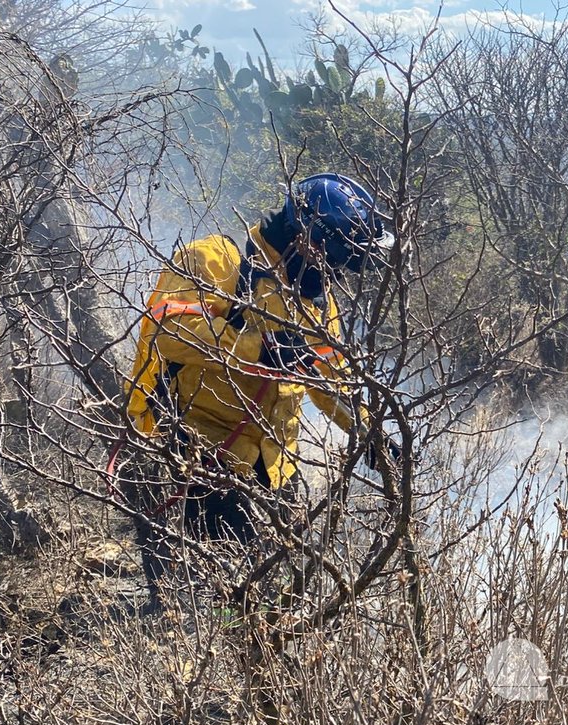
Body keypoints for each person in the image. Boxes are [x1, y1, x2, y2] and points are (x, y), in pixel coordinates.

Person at [123, 173, 395, 609]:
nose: (337, 273)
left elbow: (330, 378)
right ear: (308, 238)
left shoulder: (315, 302)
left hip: (274, 471)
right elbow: (165, 329)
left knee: (269, 605)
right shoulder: (216, 260)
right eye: (338, 258)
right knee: (205, 609)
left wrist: (372, 435)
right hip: (197, 460)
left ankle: (251, 665)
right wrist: (258, 348)